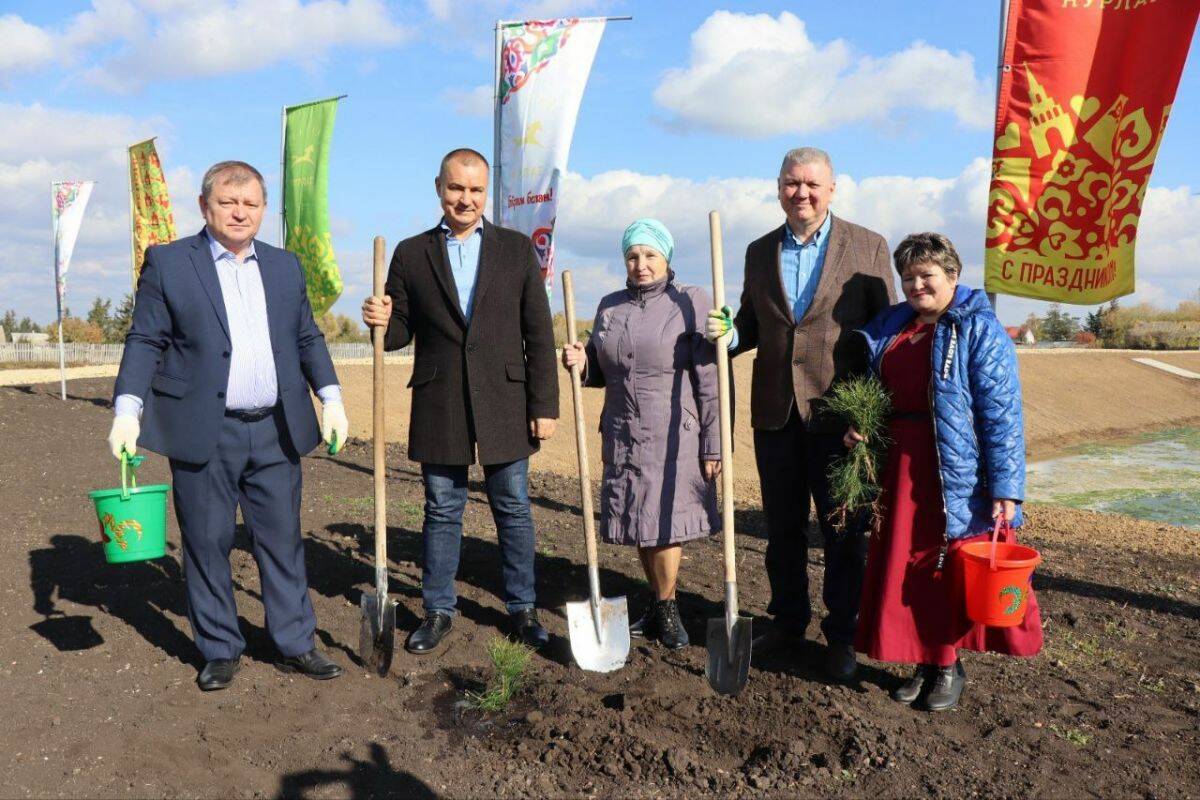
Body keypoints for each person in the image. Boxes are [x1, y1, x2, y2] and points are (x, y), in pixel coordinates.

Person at [107, 161, 349, 691]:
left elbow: (307, 337)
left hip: (275, 428)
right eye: (228, 202)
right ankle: (219, 648)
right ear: (205, 206)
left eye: (251, 204)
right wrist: (128, 409)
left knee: (281, 539)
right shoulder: (170, 263)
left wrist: (330, 398)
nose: (240, 213)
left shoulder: (285, 266)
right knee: (208, 540)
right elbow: (145, 339)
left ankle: (294, 641)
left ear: (264, 210)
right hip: (204, 430)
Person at [705, 147, 896, 681]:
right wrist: (732, 332)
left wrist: (873, 415)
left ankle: (842, 635)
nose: (802, 193)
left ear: (832, 188)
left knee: (843, 532)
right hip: (776, 414)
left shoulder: (867, 247)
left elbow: (890, 338)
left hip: (842, 422)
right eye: (792, 183)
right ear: (779, 187)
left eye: (812, 184)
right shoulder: (759, 251)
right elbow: (751, 322)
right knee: (783, 528)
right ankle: (788, 620)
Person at [361, 148, 559, 655]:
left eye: (474, 190)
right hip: (440, 397)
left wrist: (545, 404)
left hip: (505, 399)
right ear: (438, 188)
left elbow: (538, 332)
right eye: (455, 188)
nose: (464, 199)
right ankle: (437, 609)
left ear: (485, 193)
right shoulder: (411, 253)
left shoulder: (516, 250)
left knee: (513, 507)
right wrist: (380, 320)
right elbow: (400, 333)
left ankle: (522, 609)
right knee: (442, 508)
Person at [850, 232, 1042, 711]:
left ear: (953, 276)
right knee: (908, 570)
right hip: (901, 466)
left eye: (927, 276)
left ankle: (948, 664)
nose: (917, 285)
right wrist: (860, 428)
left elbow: (1002, 415)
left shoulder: (980, 329)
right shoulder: (894, 327)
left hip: (954, 471)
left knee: (943, 568)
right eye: (909, 277)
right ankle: (923, 663)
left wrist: (1006, 490)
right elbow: (877, 395)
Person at [561, 219, 721, 650]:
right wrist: (582, 360)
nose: (641, 263)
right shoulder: (610, 306)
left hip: (674, 433)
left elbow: (709, 378)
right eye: (633, 255)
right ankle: (657, 600)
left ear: (666, 258)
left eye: (650, 254)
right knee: (639, 521)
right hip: (623, 430)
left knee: (664, 524)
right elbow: (600, 368)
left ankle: (667, 608)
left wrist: (714, 443)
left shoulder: (690, 301)